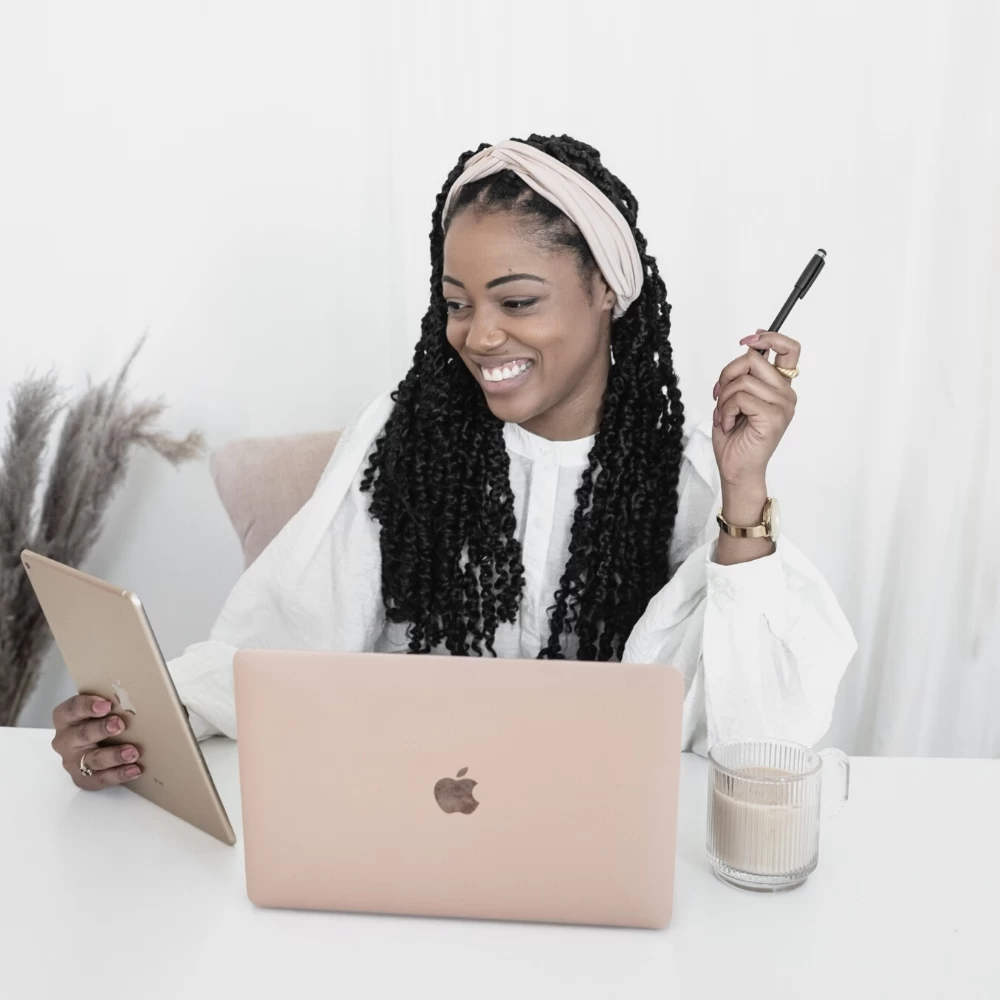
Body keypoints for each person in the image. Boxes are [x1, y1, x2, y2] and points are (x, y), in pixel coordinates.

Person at [50, 134, 857, 790]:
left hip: (602, 833)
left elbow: (761, 742)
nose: (478, 335)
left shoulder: (685, 475)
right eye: (457, 303)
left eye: (517, 301)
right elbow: (280, 647)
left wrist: (745, 487)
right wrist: (140, 719)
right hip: (417, 816)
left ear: (608, 290)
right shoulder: (410, 438)